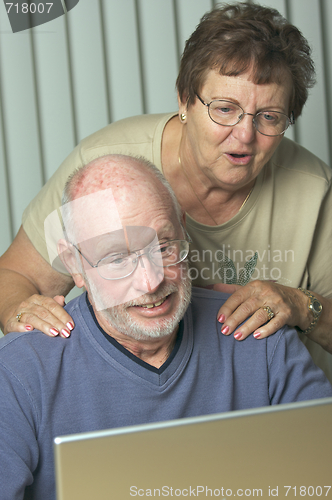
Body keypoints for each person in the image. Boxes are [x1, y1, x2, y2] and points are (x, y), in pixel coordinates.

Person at [0, 2, 331, 380]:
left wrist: (303, 305)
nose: (244, 134)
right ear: (184, 99)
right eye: (224, 109)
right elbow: (14, 275)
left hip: (271, 401)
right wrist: (19, 312)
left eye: (269, 117)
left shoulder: (315, 189)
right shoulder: (105, 166)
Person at [0, 154, 331, 500]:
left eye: (163, 246)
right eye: (117, 258)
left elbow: (322, 478)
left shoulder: (261, 334)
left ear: (182, 227)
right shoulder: (18, 373)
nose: (151, 281)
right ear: (74, 264)